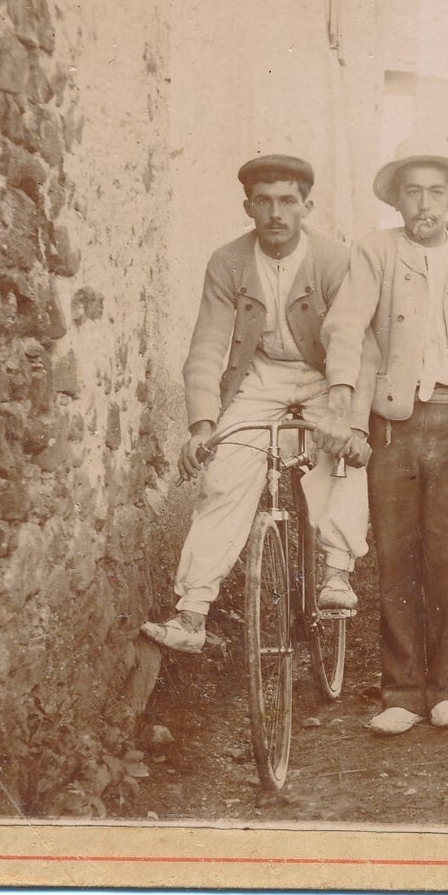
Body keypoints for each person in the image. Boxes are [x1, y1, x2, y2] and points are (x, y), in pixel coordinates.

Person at [318, 142, 448, 734]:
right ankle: (401, 691)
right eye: (413, 191)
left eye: (436, 192)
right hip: (394, 424)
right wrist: (349, 414)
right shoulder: (376, 252)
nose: (425, 204)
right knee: (397, 555)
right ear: (398, 199)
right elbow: (350, 328)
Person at [140, 154, 371, 654]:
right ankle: (192, 612)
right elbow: (206, 347)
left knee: (340, 456)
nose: (276, 213)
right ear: (248, 206)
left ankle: (336, 570)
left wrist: (344, 413)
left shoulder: (335, 259)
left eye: (288, 201)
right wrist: (202, 425)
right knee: (223, 476)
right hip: (260, 377)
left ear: (306, 206)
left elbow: (349, 336)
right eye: (263, 202)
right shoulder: (228, 262)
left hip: (324, 375)